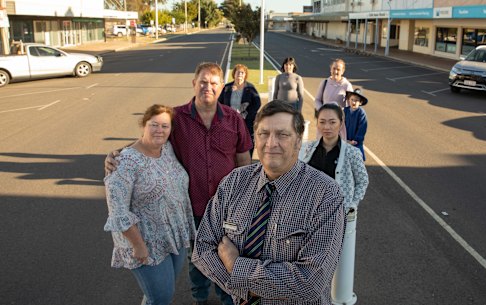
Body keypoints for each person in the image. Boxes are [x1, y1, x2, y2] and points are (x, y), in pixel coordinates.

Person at [105, 62, 253, 305]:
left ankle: (229, 300)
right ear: (194, 84)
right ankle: (200, 299)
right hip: (192, 207)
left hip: (227, 208)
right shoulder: (177, 117)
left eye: (214, 83)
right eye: (203, 82)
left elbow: (244, 161)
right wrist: (118, 154)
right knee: (198, 259)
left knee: (229, 257)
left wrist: (246, 200)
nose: (208, 87)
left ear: (221, 87)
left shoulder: (234, 120)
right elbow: (151, 138)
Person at [192, 100, 346, 304]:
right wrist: (246, 291)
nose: (271, 143)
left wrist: (236, 266)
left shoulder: (326, 194)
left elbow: (310, 282)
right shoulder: (233, 182)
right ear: (255, 137)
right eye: (264, 134)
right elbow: (202, 248)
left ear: (299, 141)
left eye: (283, 134)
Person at [104, 104, 197, 305]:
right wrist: (139, 246)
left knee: (163, 292)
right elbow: (118, 211)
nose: (160, 130)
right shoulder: (124, 162)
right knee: (161, 297)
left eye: (165, 126)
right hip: (146, 241)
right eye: (154, 125)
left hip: (173, 235)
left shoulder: (167, 148)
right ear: (143, 125)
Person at [298, 102, 369, 304]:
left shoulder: (353, 154)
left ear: (341, 123)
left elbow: (363, 181)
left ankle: (330, 298)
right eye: (322, 122)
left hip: (336, 218)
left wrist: (353, 204)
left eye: (332, 122)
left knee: (333, 262)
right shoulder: (307, 149)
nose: (327, 127)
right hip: (308, 215)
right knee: (308, 261)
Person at [219, 64, 261, 157]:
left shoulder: (250, 88)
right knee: (230, 143)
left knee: (247, 142)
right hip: (229, 121)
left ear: (245, 74)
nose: (240, 74)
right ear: (234, 73)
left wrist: (247, 115)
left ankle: (247, 162)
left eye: (242, 72)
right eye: (238, 72)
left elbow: (257, 103)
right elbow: (219, 103)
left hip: (246, 121)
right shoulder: (227, 88)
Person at [343, 88, 368, 161]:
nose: (353, 102)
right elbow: (341, 124)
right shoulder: (345, 111)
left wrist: (356, 140)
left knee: (356, 160)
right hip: (345, 140)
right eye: (352, 99)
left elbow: (362, 128)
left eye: (356, 100)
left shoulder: (361, 113)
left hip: (355, 143)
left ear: (360, 102)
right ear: (349, 100)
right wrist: (343, 137)